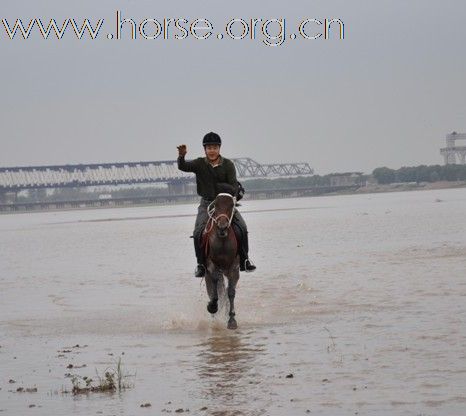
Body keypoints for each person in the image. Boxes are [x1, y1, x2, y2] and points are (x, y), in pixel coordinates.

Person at [177, 132, 256, 277]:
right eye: (209, 148)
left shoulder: (228, 165)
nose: (212, 150)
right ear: (205, 150)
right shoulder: (199, 163)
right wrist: (181, 156)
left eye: (214, 147)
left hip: (225, 204)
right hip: (206, 204)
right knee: (197, 233)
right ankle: (200, 264)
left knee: (243, 228)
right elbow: (183, 167)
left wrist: (219, 188)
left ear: (219, 148)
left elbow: (233, 187)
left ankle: (245, 260)